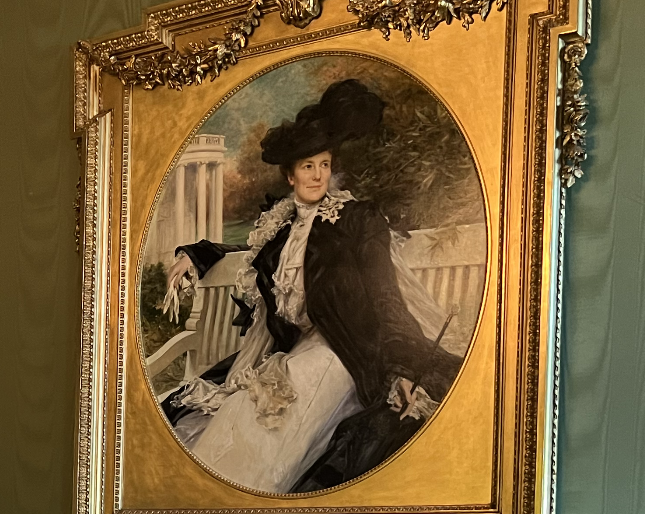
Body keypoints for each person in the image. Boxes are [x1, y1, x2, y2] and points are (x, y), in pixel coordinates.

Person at [167, 78, 459, 493]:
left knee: (292, 397)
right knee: (239, 409)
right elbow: (251, 251)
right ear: (290, 176)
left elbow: (385, 297)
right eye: (308, 166)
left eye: (324, 164)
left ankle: (251, 497)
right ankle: (211, 500)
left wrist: (404, 369)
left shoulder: (357, 220)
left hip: (351, 349)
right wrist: (197, 255)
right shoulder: (281, 226)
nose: (318, 175)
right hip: (299, 346)